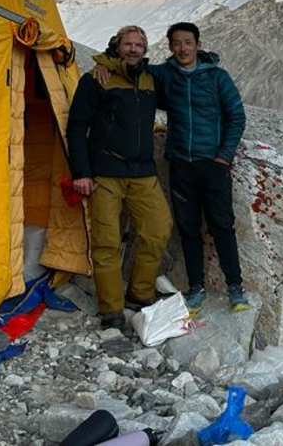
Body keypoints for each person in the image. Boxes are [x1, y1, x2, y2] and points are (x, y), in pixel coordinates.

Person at [66, 25, 173, 330]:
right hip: (105, 173)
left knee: (158, 229)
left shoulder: (152, 79)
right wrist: (82, 172)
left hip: (142, 172)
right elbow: (77, 127)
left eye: (140, 44)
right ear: (116, 45)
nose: (134, 49)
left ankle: (139, 294)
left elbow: (180, 79)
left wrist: (200, 59)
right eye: (128, 44)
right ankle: (111, 309)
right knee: (106, 241)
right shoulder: (95, 79)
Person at [152, 22, 248, 315]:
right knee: (188, 228)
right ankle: (196, 288)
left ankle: (235, 288)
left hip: (213, 164)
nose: (182, 48)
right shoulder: (165, 75)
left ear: (197, 44)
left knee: (222, 225)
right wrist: (107, 65)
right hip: (181, 164)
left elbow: (236, 116)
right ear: (170, 46)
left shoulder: (217, 77)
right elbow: (132, 67)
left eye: (187, 42)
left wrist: (224, 156)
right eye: (177, 43)